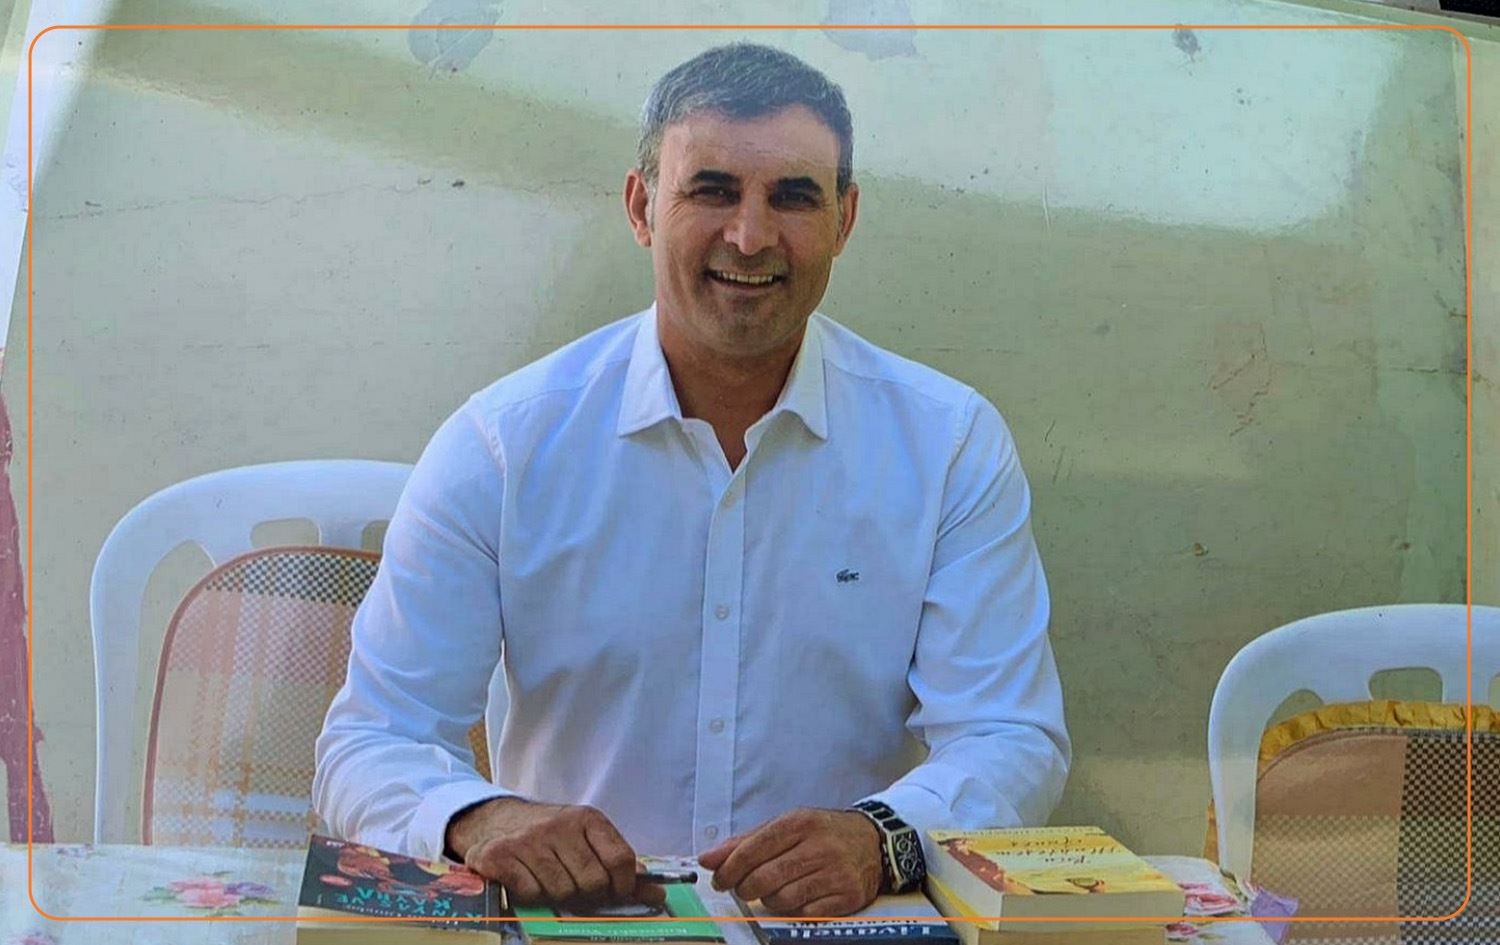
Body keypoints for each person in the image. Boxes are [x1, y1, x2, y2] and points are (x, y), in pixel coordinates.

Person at [313, 41, 1069, 919]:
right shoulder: (505, 444)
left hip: (838, 926)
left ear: (845, 220)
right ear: (642, 207)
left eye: (793, 197)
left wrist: (882, 837)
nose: (750, 236)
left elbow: (1008, 734)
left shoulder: (947, 443)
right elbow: (372, 737)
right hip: (578, 930)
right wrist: (480, 818)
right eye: (712, 191)